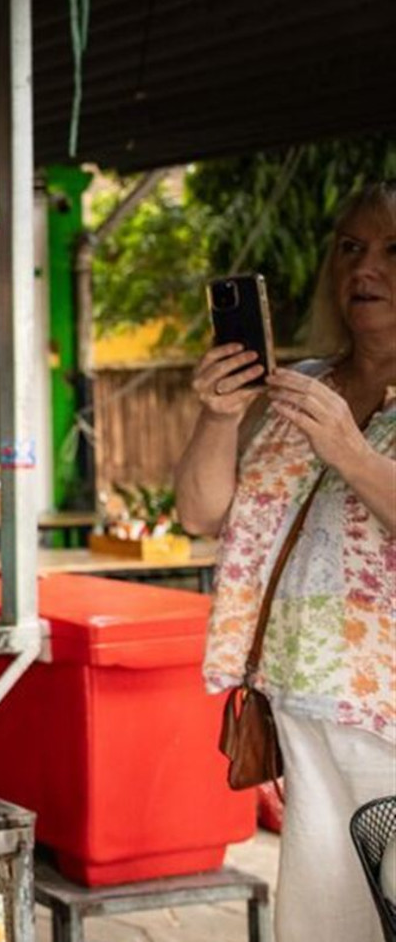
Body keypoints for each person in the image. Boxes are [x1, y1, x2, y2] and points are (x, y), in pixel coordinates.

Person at [176, 181, 396, 940]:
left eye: (394, 250)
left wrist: (351, 452)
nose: (365, 269)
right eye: (351, 249)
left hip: (389, 720)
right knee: (323, 926)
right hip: (301, 703)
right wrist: (219, 414)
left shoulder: (328, 415)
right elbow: (201, 513)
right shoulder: (300, 383)